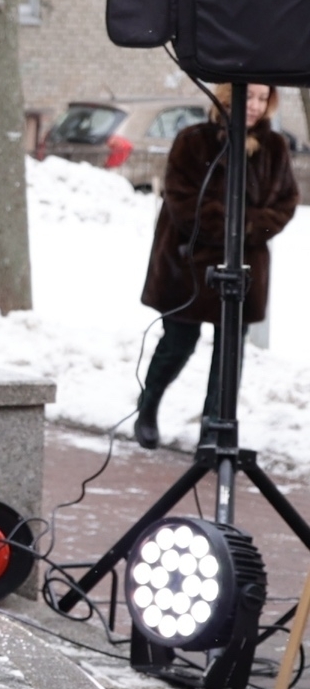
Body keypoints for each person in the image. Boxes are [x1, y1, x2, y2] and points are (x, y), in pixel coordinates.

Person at [134, 82, 298, 449]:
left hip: (244, 264)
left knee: (229, 353)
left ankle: (214, 429)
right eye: (249, 96)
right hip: (188, 262)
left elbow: (286, 201)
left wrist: (251, 228)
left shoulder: (274, 146)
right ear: (227, 94)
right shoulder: (193, 139)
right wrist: (234, 226)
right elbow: (181, 199)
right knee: (178, 343)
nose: (254, 105)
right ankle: (148, 406)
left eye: (262, 98)